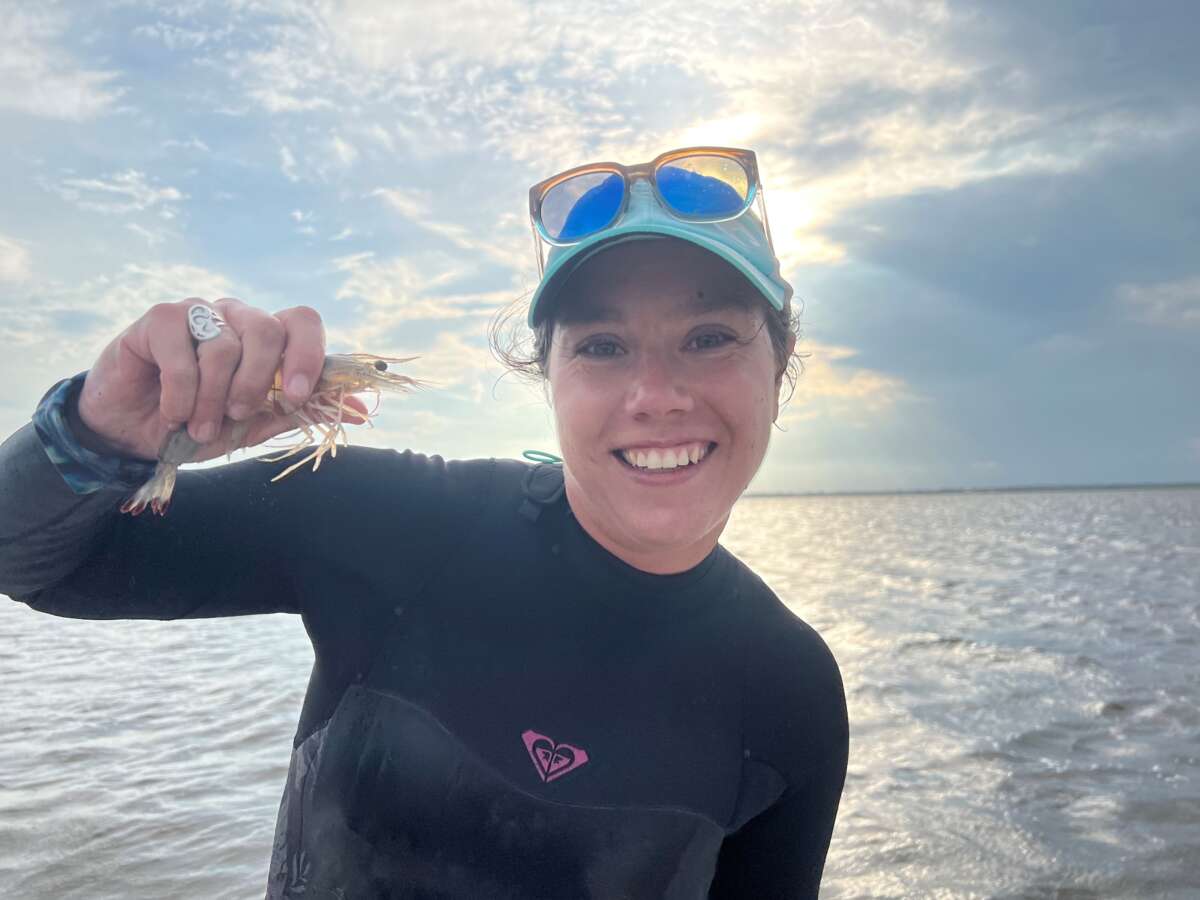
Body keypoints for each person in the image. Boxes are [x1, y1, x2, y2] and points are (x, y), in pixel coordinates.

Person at [0, 146, 848, 898]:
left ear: (779, 372)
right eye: (601, 346)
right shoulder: (395, 520)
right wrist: (93, 434)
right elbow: (34, 560)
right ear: (546, 375)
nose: (657, 396)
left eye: (709, 338)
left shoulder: (790, 691)